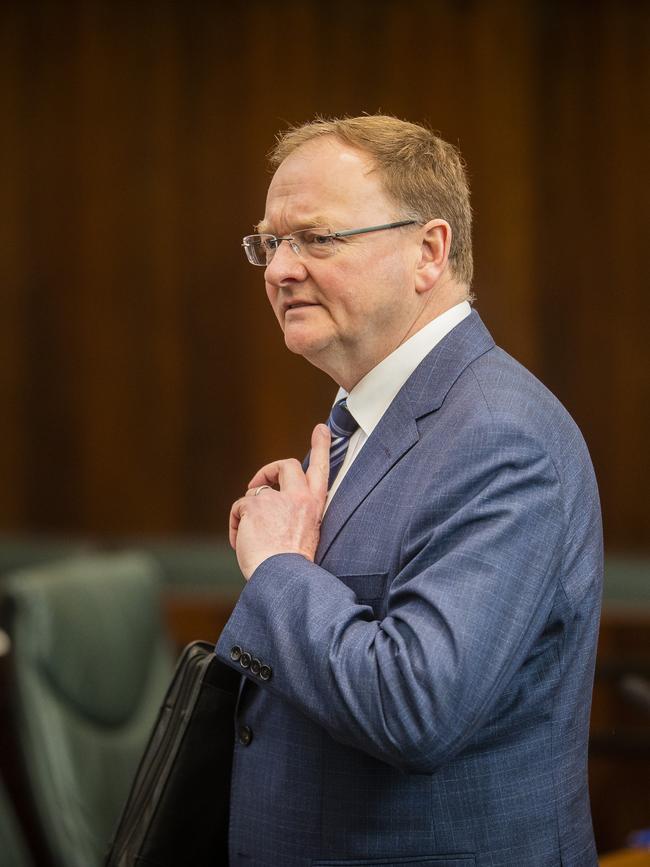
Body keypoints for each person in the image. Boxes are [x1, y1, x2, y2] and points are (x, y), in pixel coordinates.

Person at [215, 115, 603, 867]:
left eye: (315, 238)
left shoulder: (499, 435)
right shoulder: (372, 418)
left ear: (428, 252)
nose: (279, 269)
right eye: (270, 242)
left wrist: (277, 569)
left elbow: (411, 706)